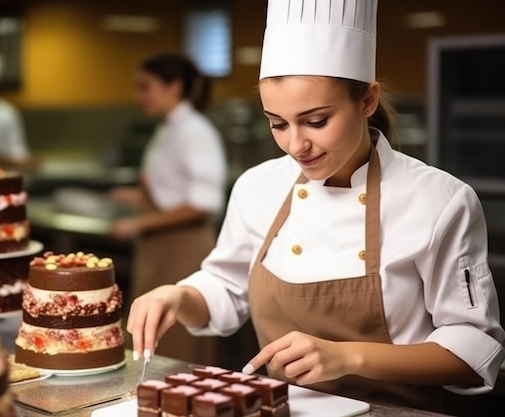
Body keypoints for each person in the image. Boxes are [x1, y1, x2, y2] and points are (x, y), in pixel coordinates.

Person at [126, 0, 505, 412]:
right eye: (277, 123)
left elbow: (473, 350)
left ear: (368, 101)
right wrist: (178, 296)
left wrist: (347, 356)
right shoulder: (258, 187)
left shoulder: (439, 200)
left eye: (317, 121)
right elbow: (225, 288)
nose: (296, 145)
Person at [109, 52, 227, 365]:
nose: (139, 96)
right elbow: (172, 191)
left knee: (173, 345)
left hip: (183, 250)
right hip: (159, 250)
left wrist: (139, 224)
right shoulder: (168, 128)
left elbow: (203, 204)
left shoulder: (195, 131)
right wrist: (134, 196)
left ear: (174, 86)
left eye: (145, 87)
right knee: (149, 337)